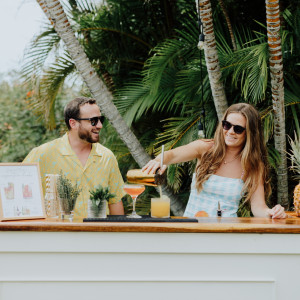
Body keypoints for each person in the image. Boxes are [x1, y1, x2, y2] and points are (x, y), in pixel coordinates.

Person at [142, 103, 286, 219]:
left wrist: (272, 213)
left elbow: (258, 207)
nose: (230, 132)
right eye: (226, 125)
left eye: (238, 129)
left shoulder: (253, 165)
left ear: (250, 133)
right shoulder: (205, 148)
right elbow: (172, 155)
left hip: (225, 233)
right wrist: (159, 160)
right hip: (191, 229)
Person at [23, 97, 125, 217]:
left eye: (100, 119)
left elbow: (115, 202)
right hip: (56, 234)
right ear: (73, 123)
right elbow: (19, 191)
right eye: (93, 120)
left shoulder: (107, 157)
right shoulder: (42, 154)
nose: (100, 125)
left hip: (98, 234)